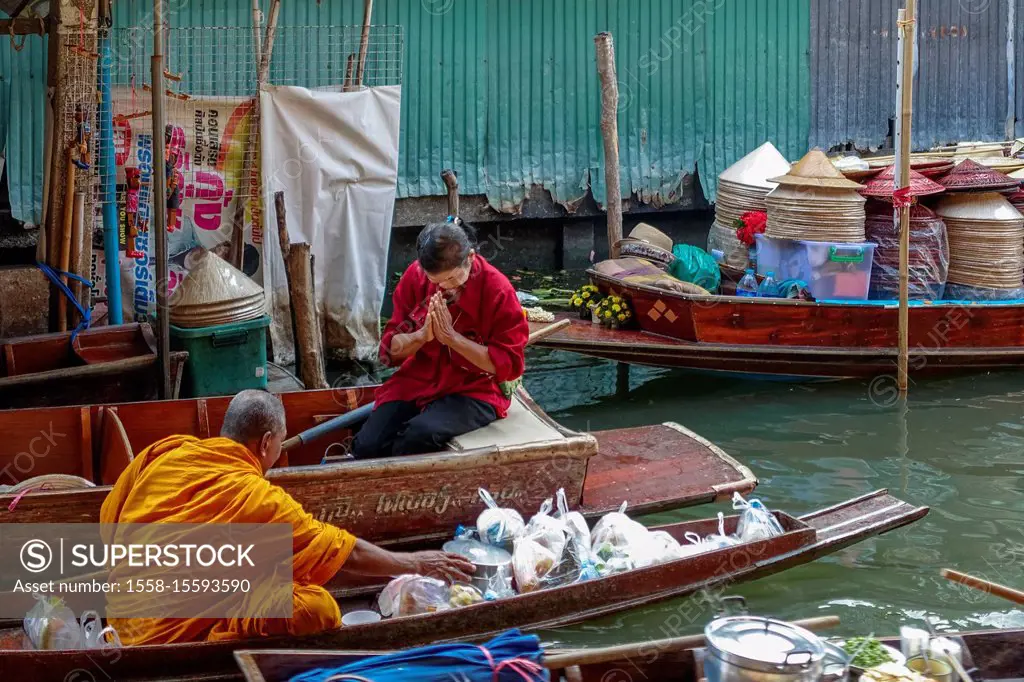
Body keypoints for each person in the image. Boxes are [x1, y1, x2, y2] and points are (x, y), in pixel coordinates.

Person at [99, 390, 473, 645]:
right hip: (163, 634)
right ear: (265, 444)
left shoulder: (166, 452)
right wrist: (417, 562)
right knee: (319, 608)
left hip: (119, 613)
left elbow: (108, 518)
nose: (278, 453)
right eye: (279, 444)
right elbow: (345, 553)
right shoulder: (258, 495)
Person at [351, 218, 529, 458]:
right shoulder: (415, 277)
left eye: (454, 279)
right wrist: (422, 336)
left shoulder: (498, 290)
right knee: (366, 445)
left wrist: (453, 339)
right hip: (419, 379)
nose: (446, 288)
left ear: (471, 258)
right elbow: (390, 350)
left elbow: (509, 365)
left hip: (474, 388)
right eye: (437, 282)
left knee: (416, 436)